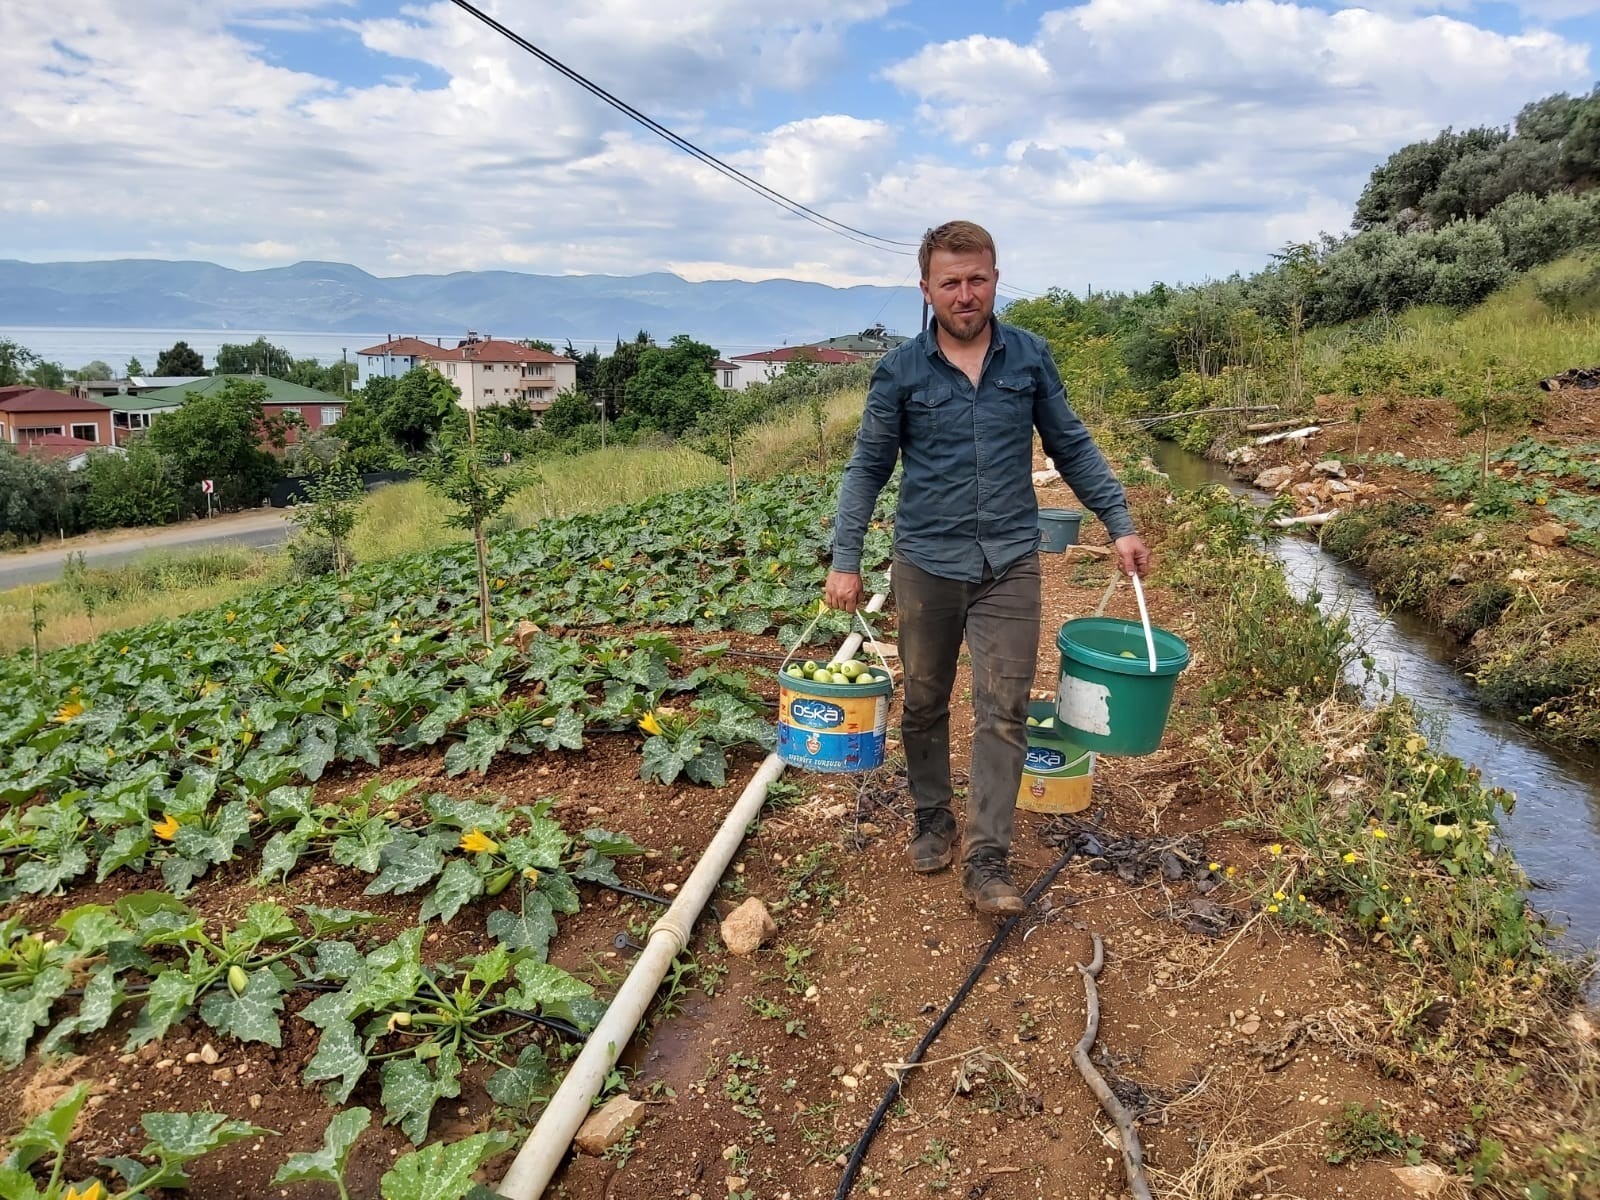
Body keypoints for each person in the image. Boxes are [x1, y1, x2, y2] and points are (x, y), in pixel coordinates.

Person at [824, 220, 1150, 916]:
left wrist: (1118, 523)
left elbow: (1073, 446)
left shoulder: (1028, 360)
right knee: (923, 701)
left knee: (1003, 710)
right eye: (951, 282)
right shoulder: (901, 371)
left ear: (996, 278)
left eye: (977, 279)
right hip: (925, 563)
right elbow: (867, 470)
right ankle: (933, 816)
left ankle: (988, 858)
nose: (965, 294)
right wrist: (845, 559)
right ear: (927, 289)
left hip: (1009, 561)